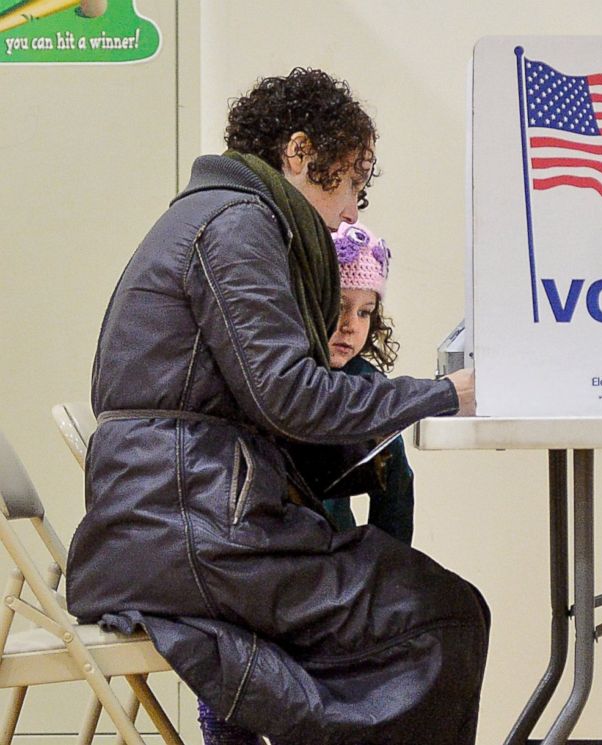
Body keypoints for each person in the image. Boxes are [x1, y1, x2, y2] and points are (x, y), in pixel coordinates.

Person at [65, 68, 489, 745]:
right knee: (442, 613)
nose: (352, 210)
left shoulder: (213, 215)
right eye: (350, 181)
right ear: (297, 153)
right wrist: (446, 393)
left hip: (166, 520)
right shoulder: (238, 226)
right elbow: (291, 396)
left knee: (425, 600)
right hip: (190, 529)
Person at [286, 220, 419, 545]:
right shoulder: (278, 373)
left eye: (365, 312)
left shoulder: (368, 385)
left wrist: (388, 566)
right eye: (339, 306)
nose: (350, 325)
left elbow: (396, 485)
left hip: (337, 551)